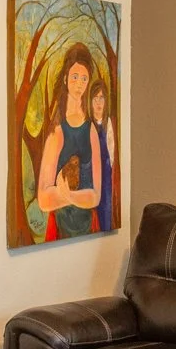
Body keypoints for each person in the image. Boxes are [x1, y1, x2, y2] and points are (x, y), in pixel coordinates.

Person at [35, 44, 101, 241]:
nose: (79, 84)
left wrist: (68, 195)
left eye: (84, 79)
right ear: (65, 78)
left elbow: (95, 196)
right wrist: (79, 197)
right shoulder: (56, 132)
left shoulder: (91, 130)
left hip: (89, 228)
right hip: (59, 229)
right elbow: (43, 200)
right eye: (74, 77)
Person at [89, 78, 116, 234]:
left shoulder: (108, 123)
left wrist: (108, 167)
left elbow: (111, 150)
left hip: (105, 173)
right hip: (91, 171)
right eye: (95, 98)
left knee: (105, 207)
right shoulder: (88, 124)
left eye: (101, 98)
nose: (98, 102)